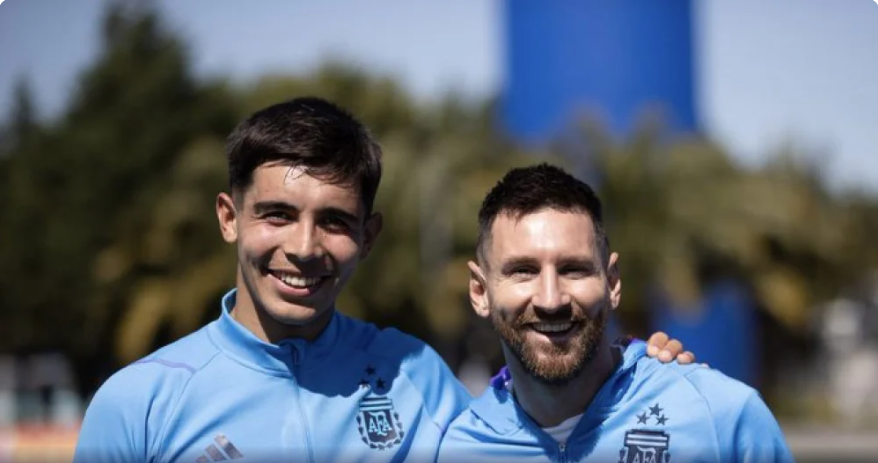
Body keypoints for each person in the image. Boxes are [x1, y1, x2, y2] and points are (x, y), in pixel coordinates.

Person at [73, 98, 695, 463]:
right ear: (230, 218)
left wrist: (630, 375)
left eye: (335, 222)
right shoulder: (139, 407)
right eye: (278, 215)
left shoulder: (416, 376)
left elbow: (535, 426)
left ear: (368, 238)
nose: (305, 248)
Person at [436, 163, 794, 463]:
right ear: (480, 291)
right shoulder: (457, 449)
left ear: (612, 283)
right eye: (523, 271)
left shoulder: (720, 418)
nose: (550, 299)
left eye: (573, 269)